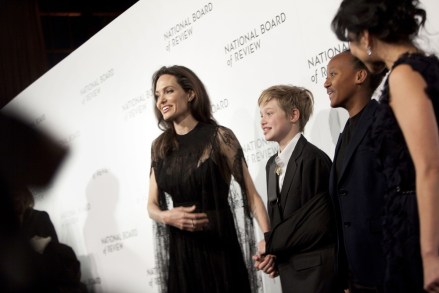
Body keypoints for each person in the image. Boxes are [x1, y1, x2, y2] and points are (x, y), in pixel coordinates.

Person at [331, 0, 439, 292]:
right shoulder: (423, 68)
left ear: (366, 36)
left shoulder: (404, 75)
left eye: (350, 41)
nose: (352, 50)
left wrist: (431, 256)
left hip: (418, 228)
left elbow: (429, 168)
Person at [147, 65, 270, 293]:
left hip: (219, 248)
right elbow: (151, 205)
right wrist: (168, 216)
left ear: (190, 94)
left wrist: (269, 239)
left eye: (168, 91)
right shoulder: (159, 147)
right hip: (182, 253)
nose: (161, 100)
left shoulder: (219, 137)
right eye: (157, 95)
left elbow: (251, 196)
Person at [254, 85, 340, 293]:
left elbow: (319, 224)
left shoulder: (313, 159)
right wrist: (274, 255)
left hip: (318, 275)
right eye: (261, 115)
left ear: (293, 115)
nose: (262, 121)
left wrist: (271, 243)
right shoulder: (271, 165)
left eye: (269, 113)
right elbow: (282, 222)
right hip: (289, 274)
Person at [324, 50, 387, 292]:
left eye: (333, 74)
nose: (326, 82)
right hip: (356, 274)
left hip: (386, 267)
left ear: (360, 76)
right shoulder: (343, 136)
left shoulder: (383, 121)